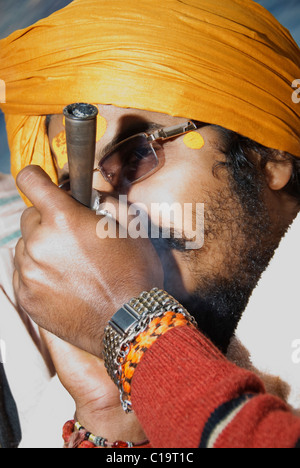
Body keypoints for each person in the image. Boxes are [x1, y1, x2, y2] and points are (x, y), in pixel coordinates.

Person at [1, 0, 300, 447]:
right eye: (75, 189)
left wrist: (134, 328)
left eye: (138, 153)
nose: (105, 214)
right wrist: (110, 414)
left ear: (269, 155)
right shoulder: (69, 402)